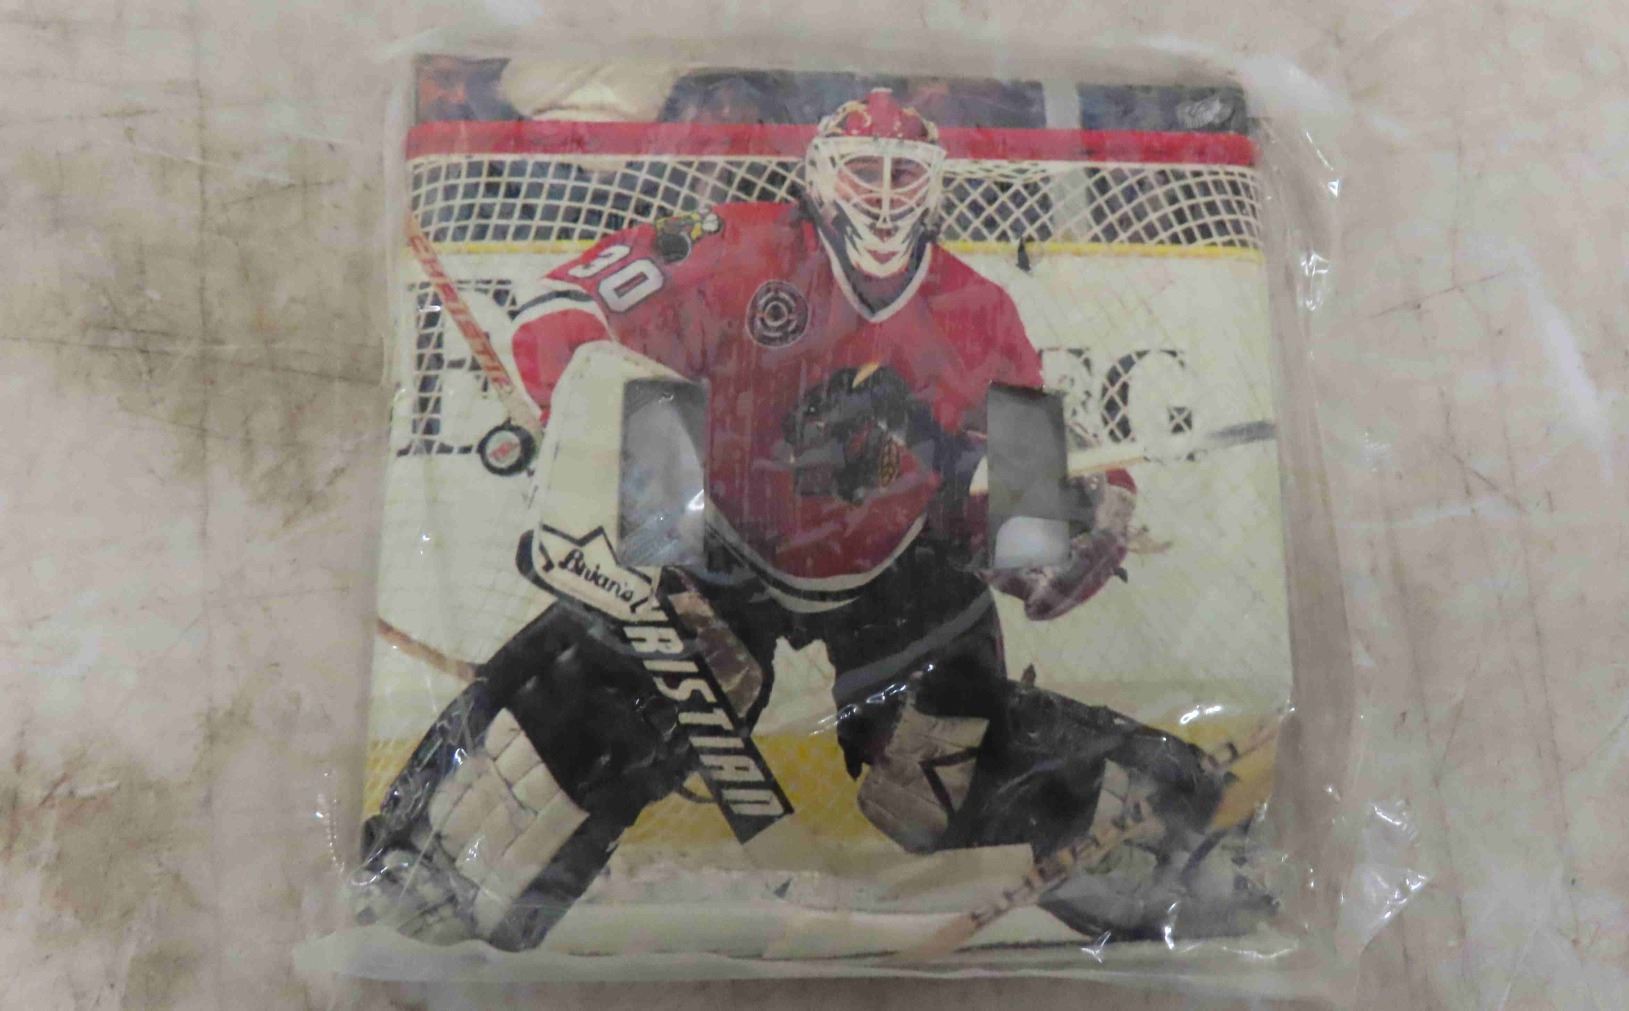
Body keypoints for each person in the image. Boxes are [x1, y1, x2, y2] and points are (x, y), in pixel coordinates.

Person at [355, 90, 1226, 951]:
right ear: (817, 177)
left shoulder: (980, 310)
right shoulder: (736, 249)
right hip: (724, 547)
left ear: (934, 186)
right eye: (863, 170)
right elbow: (561, 309)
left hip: (895, 573)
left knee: (934, 771)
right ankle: (421, 864)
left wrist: (1067, 523)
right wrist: (645, 502)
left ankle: (1178, 845)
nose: (882, 194)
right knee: (634, 682)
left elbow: (1028, 528)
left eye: (902, 174)